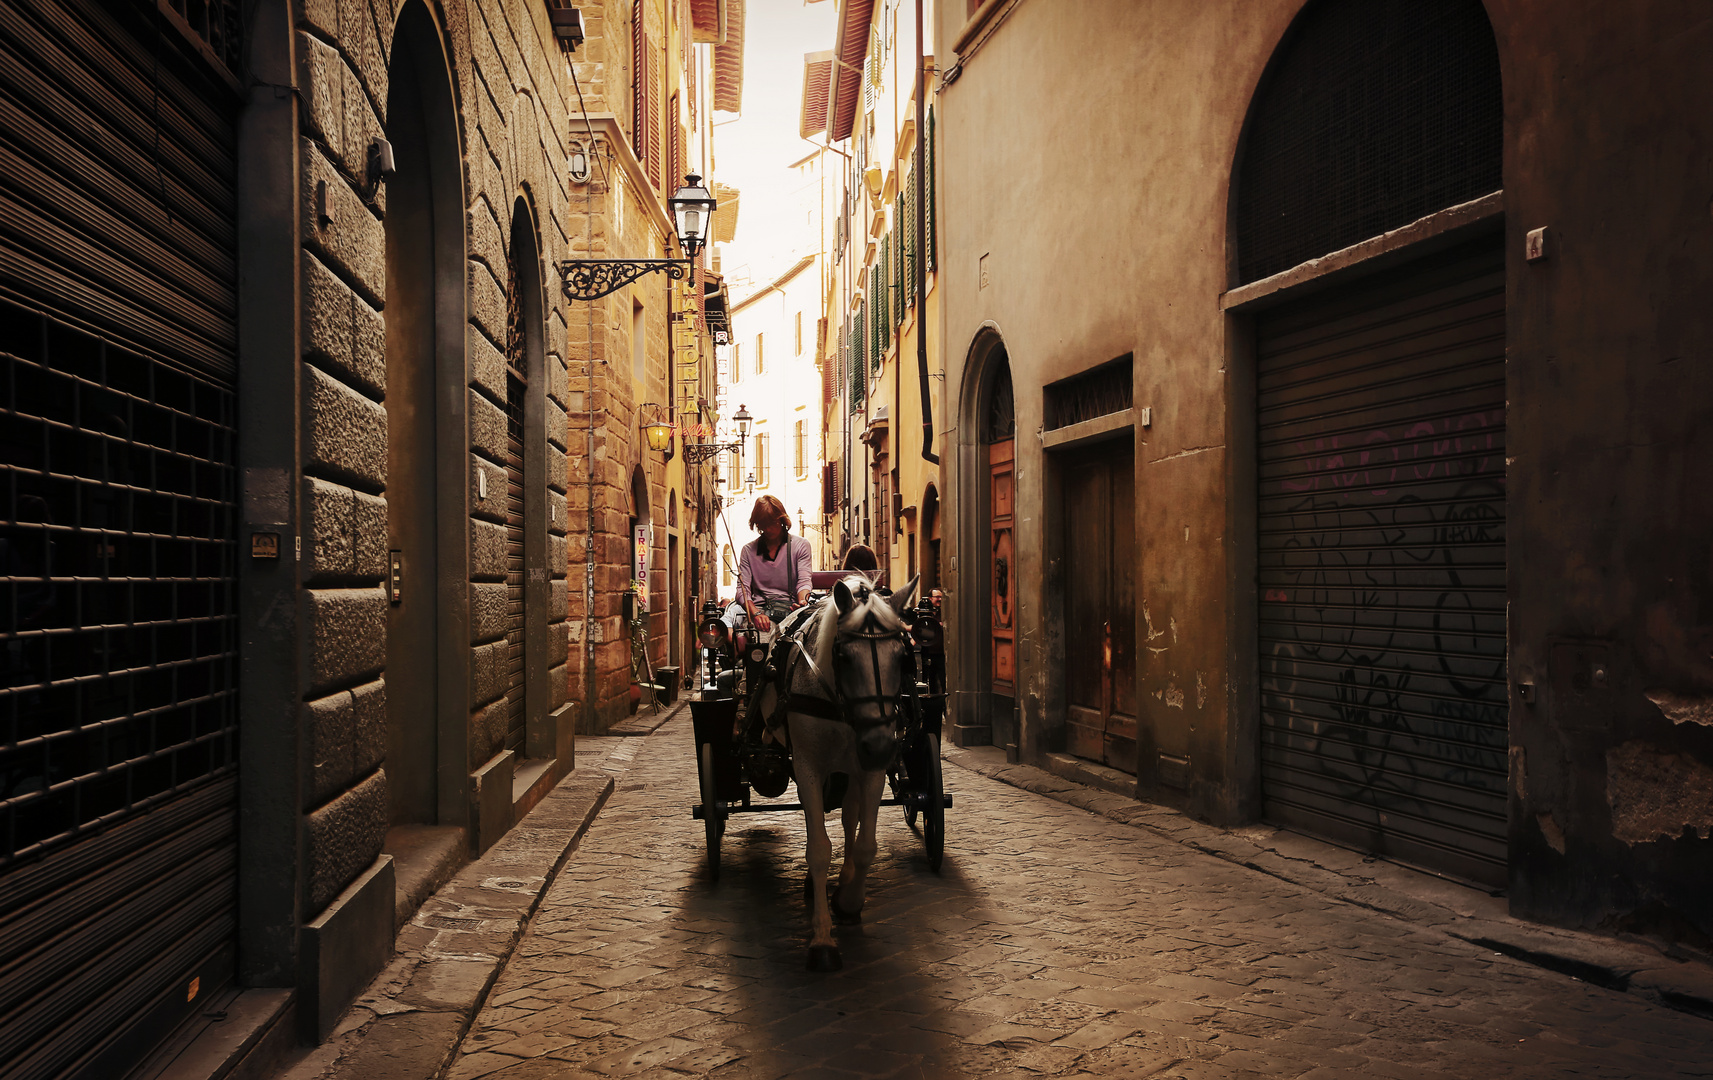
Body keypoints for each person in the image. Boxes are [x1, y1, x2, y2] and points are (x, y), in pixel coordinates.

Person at [735, 495, 813, 633]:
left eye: (772, 524)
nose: (768, 529)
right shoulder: (748, 551)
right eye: (763, 525)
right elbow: (743, 589)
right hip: (760, 612)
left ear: (782, 520)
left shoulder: (801, 545)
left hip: (792, 609)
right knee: (758, 645)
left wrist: (802, 604)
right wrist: (756, 614)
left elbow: (804, 581)